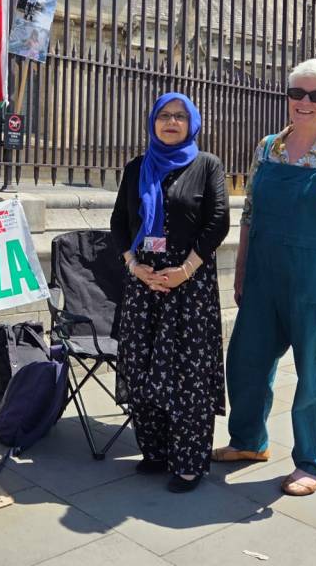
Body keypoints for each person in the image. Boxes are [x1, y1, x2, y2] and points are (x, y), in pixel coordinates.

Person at [213, 58, 316, 497]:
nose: (305, 102)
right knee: (245, 362)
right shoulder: (267, 148)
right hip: (265, 279)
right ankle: (248, 442)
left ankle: (311, 461)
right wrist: (243, 268)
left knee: (315, 376)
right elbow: (249, 214)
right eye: (297, 93)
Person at [110, 92, 230, 493]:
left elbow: (217, 222)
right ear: (152, 122)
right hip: (143, 282)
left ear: (192, 123)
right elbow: (118, 223)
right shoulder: (136, 167)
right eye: (164, 115)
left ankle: (189, 462)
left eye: (180, 116)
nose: (172, 122)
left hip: (188, 285)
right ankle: (157, 451)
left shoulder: (207, 165)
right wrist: (133, 265)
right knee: (142, 364)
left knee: (188, 373)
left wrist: (184, 270)